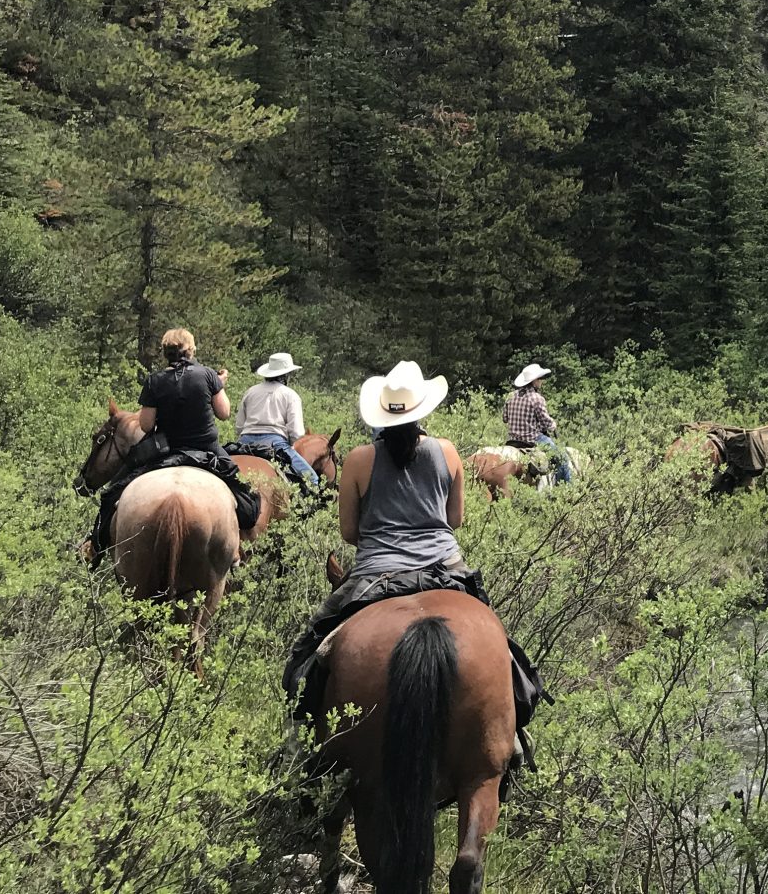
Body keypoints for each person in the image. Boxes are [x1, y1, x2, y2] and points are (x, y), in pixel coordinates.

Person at [283, 361, 544, 768]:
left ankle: (300, 747)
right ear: (423, 408)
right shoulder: (448, 451)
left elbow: (350, 533)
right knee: (505, 652)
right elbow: (454, 520)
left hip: (375, 574)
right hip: (445, 566)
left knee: (309, 650)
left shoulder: (358, 458)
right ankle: (511, 737)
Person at [88, 327, 258, 562]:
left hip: (167, 450)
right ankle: (238, 550)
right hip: (207, 450)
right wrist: (218, 386)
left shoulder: (154, 380)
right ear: (191, 350)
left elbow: (146, 425)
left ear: (165, 353)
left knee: (112, 494)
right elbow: (224, 413)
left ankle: (94, 546)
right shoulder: (208, 375)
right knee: (246, 495)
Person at [231, 352, 322, 491]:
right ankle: (302, 511)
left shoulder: (250, 392)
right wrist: (290, 445)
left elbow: (239, 427)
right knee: (312, 479)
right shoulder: (290, 395)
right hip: (275, 444)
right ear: (285, 375)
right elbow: (297, 432)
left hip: (245, 442)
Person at [502, 363, 572, 486]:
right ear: (534, 381)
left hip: (512, 440)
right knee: (562, 458)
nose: (542, 382)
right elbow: (546, 423)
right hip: (532, 439)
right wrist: (553, 425)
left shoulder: (510, 396)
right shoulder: (537, 398)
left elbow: (505, 418)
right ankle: (565, 490)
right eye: (541, 379)